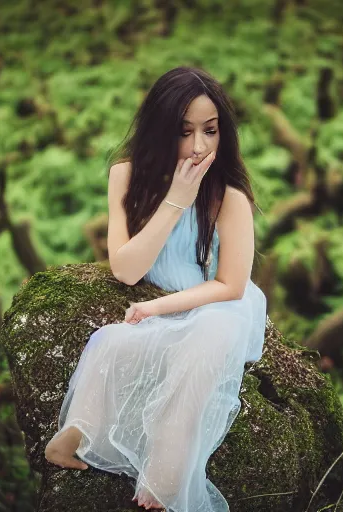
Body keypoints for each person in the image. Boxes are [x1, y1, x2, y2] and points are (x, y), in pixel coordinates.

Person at [44, 66, 267, 512]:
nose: (199, 146)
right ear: (162, 130)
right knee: (108, 343)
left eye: (210, 130)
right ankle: (68, 441)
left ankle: (165, 477)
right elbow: (126, 269)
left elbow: (231, 286)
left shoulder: (230, 197)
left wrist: (157, 307)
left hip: (218, 307)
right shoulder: (126, 176)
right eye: (185, 132)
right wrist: (176, 201)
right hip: (173, 309)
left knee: (208, 338)